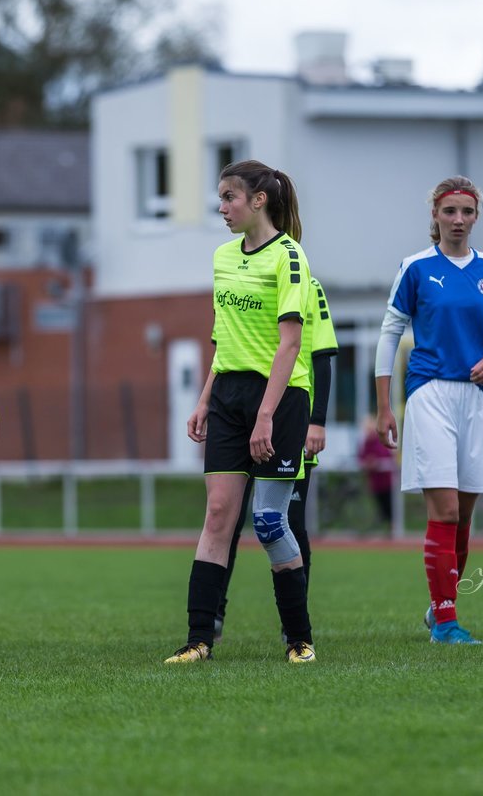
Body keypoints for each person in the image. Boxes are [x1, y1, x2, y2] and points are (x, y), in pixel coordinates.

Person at [165, 159, 316, 665]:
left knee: (270, 521)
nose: (222, 208)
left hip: (279, 400)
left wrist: (267, 416)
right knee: (217, 516)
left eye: (229, 197)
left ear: (258, 201)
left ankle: (299, 640)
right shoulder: (223, 257)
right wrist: (205, 398)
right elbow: (223, 338)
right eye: (220, 199)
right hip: (228, 397)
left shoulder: (290, 257)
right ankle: (198, 640)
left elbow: (291, 345)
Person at [374, 175, 483, 646]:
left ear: (477, 216)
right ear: (435, 215)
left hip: (478, 401)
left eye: (467, 212)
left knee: (465, 514)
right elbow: (389, 333)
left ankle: (440, 609)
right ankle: (448, 625)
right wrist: (384, 406)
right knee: (446, 509)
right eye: (449, 211)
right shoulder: (415, 267)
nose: (458, 220)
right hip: (430, 393)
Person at [212, 276, 338, 645]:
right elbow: (223, 348)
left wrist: (318, 421)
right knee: (228, 520)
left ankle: (294, 625)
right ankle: (214, 615)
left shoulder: (307, 285)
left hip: (287, 421)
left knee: (288, 522)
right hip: (241, 417)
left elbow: (322, 356)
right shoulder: (239, 278)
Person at [358, 414, 396, 531]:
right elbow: (361, 457)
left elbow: (386, 456)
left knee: (389, 507)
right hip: (375, 483)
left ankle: (392, 530)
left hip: (386, 482)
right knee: (382, 508)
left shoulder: (380, 441)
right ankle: (387, 529)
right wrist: (367, 462)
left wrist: (375, 462)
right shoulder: (365, 443)